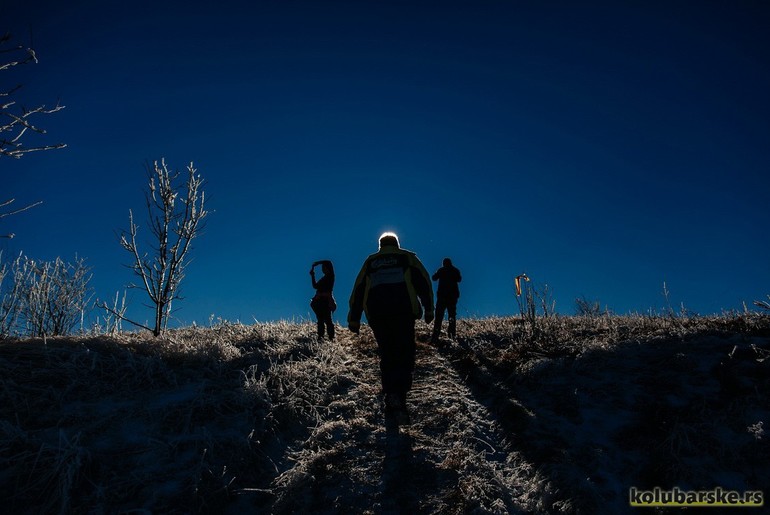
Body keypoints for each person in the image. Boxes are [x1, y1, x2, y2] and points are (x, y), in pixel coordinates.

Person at [348, 232, 434, 420]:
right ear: (397, 243)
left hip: (378, 314)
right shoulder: (407, 257)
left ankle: (391, 394)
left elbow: (359, 289)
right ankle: (400, 394)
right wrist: (429, 309)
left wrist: (354, 319)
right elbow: (424, 282)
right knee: (405, 351)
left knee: (387, 352)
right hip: (404, 312)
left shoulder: (370, 262)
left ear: (380, 245)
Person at [431, 257, 462, 344]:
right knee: (452, 316)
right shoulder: (455, 270)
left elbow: (434, 278)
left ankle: (435, 336)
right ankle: (451, 336)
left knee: (439, 316)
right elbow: (459, 279)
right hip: (452, 297)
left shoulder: (441, 270)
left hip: (442, 297)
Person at [310, 260, 336, 341]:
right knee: (320, 320)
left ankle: (331, 337)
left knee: (328, 320)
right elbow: (315, 286)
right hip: (319, 301)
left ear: (328, 268)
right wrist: (312, 275)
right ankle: (321, 337)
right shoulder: (324, 278)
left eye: (324, 267)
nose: (323, 269)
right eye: (322, 268)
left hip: (326, 301)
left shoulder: (331, 276)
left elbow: (328, 261)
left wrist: (318, 262)